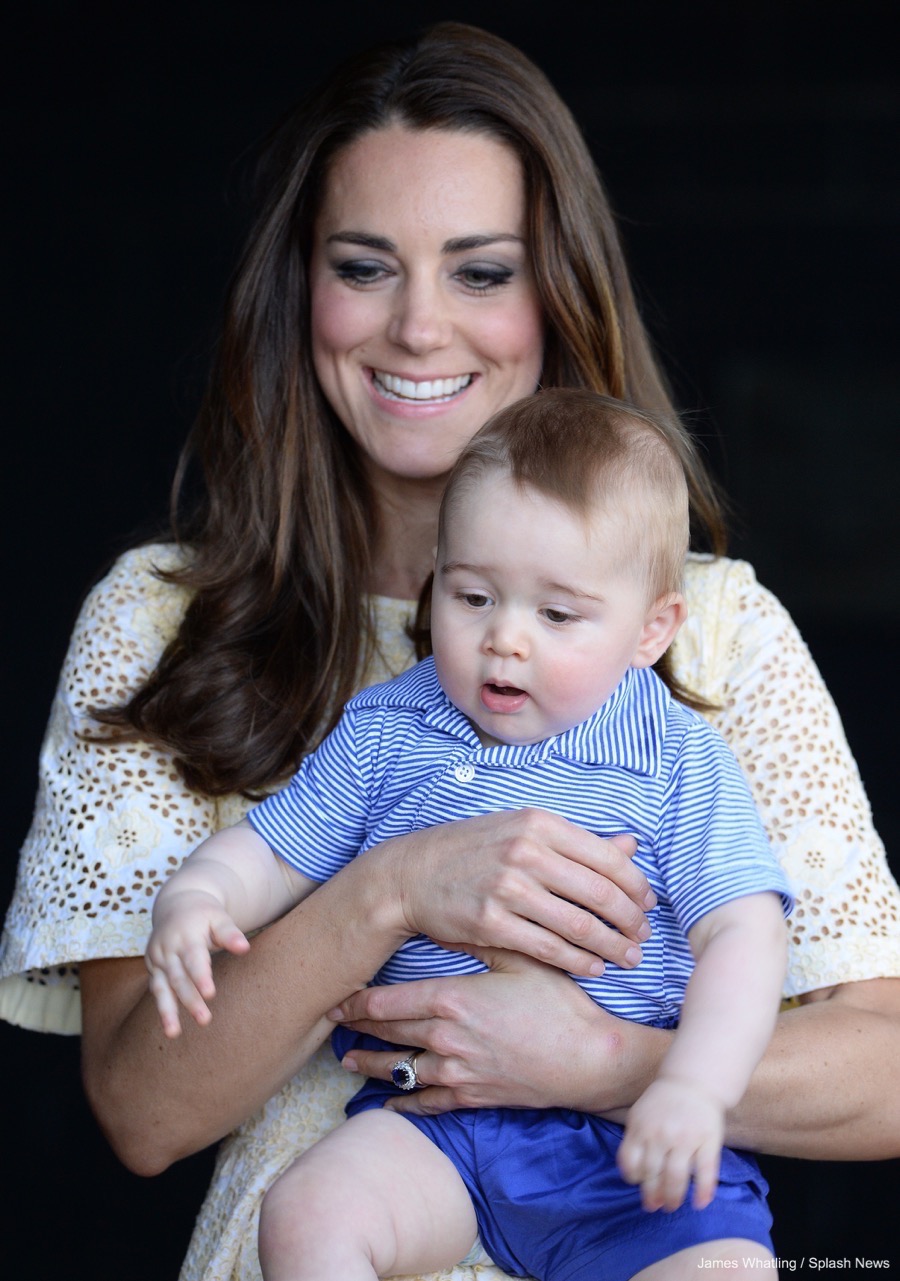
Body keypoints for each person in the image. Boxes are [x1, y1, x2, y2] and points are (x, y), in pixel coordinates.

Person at [0, 20, 897, 1281]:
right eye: (365, 265)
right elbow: (144, 1112)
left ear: (560, 291)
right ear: (299, 290)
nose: (420, 327)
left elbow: (885, 1071)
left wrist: (608, 1064)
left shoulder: (717, 632)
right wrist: (392, 890)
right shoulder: (161, 621)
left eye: (482, 272)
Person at [147, 389, 794, 1281]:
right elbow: (271, 847)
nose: (505, 642)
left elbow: (747, 931)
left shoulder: (677, 758)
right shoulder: (388, 729)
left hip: (629, 1142)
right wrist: (199, 895)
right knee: (306, 1213)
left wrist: (692, 1084)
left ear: (652, 629)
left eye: (557, 615)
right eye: (475, 595)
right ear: (436, 577)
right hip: (433, 1125)